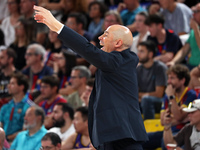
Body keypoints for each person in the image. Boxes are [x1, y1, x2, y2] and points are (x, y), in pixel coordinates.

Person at [34, 5, 148, 150]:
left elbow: (87, 50)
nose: (100, 38)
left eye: (105, 35)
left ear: (118, 43)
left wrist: (56, 25)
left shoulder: (120, 60)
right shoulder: (114, 64)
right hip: (111, 136)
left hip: (123, 136)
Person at [143, 64, 197, 150]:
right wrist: (179, 118)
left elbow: (179, 116)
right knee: (142, 140)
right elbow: (163, 121)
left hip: (181, 132)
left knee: (166, 145)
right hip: (167, 130)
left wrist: (171, 97)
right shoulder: (168, 95)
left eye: (172, 78)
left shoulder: (191, 95)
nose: (168, 81)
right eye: (168, 78)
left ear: (182, 80)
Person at [137, 41, 167, 120]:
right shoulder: (138, 69)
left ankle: (149, 128)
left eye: (142, 51)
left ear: (150, 54)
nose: (138, 54)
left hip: (161, 102)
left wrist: (141, 96)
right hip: (143, 100)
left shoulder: (160, 68)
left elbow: (159, 94)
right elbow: (134, 92)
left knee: (146, 100)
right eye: (138, 51)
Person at [0, 72, 35, 142]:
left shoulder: (30, 107)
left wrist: (7, 138)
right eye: (9, 83)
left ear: (21, 87)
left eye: (12, 84)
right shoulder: (5, 107)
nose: (8, 86)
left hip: (21, 143)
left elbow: (27, 131)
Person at [167, 3, 200, 69]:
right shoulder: (193, 31)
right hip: (190, 66)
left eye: (196, 12)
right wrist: (173, 62)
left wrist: (196, 29)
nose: (193, 14)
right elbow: (184, 50)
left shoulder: (195, 30)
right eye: (193, 11)